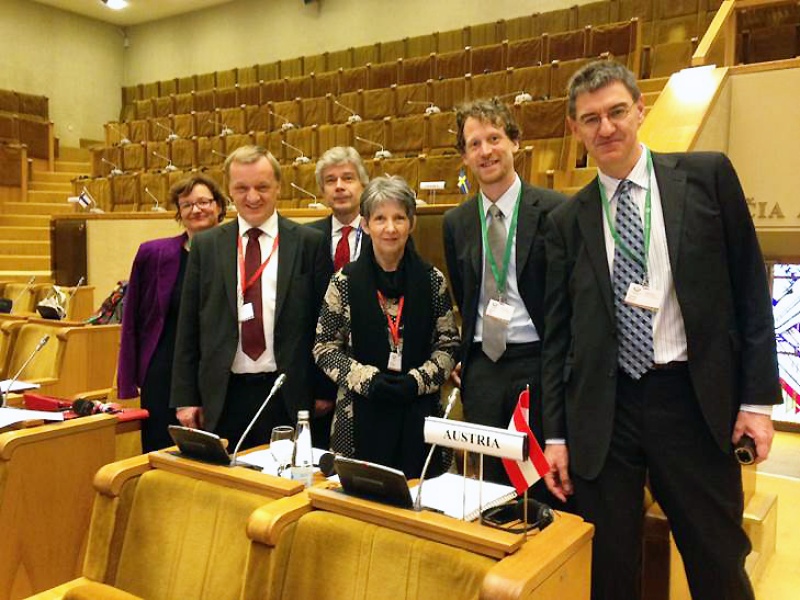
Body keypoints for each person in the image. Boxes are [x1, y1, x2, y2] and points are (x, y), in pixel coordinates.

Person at [541, 60, 780, 600]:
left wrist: (758, 403)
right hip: (606, 412)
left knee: (717, 559)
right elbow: (560, 337)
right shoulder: (566, 220)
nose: (606, 128)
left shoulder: (706, 177)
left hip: (692, 401)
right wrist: (555, 436)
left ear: (640, 110)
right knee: (611, 570)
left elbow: (749, 291)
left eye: (617, 112)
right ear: (576, 129)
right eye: (591, 119)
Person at [171, 145, 330, 450]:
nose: (252, 197)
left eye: (262, 187)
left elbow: (323, 323)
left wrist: (324, 389)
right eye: (242, 188)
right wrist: (186, 397)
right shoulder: (207, 246)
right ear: (229, 191)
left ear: (279, 188)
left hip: (289, 393)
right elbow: (189, 326)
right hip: (224, 394)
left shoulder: (310, 243)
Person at [442, 98, 565, 487]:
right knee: (488, 482)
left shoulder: (555, 211)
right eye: (474, 144)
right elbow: (466, 292)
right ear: (464, 156)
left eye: (494, 138)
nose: (485, 151)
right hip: (482, 368)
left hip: (537, 361)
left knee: (536, 481)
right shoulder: (456, 222)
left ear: (514, 142)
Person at [314, 176, 459, 478]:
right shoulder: (343, 281)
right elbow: (324, 347)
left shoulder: (433, 281)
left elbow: (448, 346)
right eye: (380, 218)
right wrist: (368, 379)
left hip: (422, 411)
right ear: (365, 224)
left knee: (425, 510)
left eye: (399, 218)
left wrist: (416, 380)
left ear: (412, 223)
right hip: (357, 413)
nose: (390, 228)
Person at [117, 175, 226, 452]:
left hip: (217, 369)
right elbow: (132, 320)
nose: (196, 209)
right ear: (179, 212)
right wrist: (128, 379)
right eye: (186, 204)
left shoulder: (235, 252)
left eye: (203, 202)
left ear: (220, 207)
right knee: (161, 450)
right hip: (163, 370)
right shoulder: (153, 253)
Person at [306, 146, 372, 448]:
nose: (340, 186)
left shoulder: (383, 232)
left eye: (348, 178)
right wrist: (319, 384)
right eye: (331, 180)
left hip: (371, 370)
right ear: (322, 191)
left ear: (363, 184)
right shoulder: (305, 239)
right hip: (320, 371)